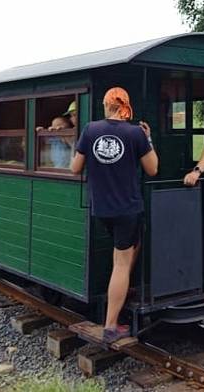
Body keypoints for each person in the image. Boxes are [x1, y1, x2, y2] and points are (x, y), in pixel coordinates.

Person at [70, 87, 158, 343]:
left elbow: (75, 168)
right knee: (121, 262)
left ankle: (120, 290)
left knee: (129, 249)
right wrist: (148, 139)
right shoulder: (136, 133)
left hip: (102, 209)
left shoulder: (90, 130)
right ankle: (110, 326)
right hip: (127, 209)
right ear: (125, 106)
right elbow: (152, 169)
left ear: (106, 105)